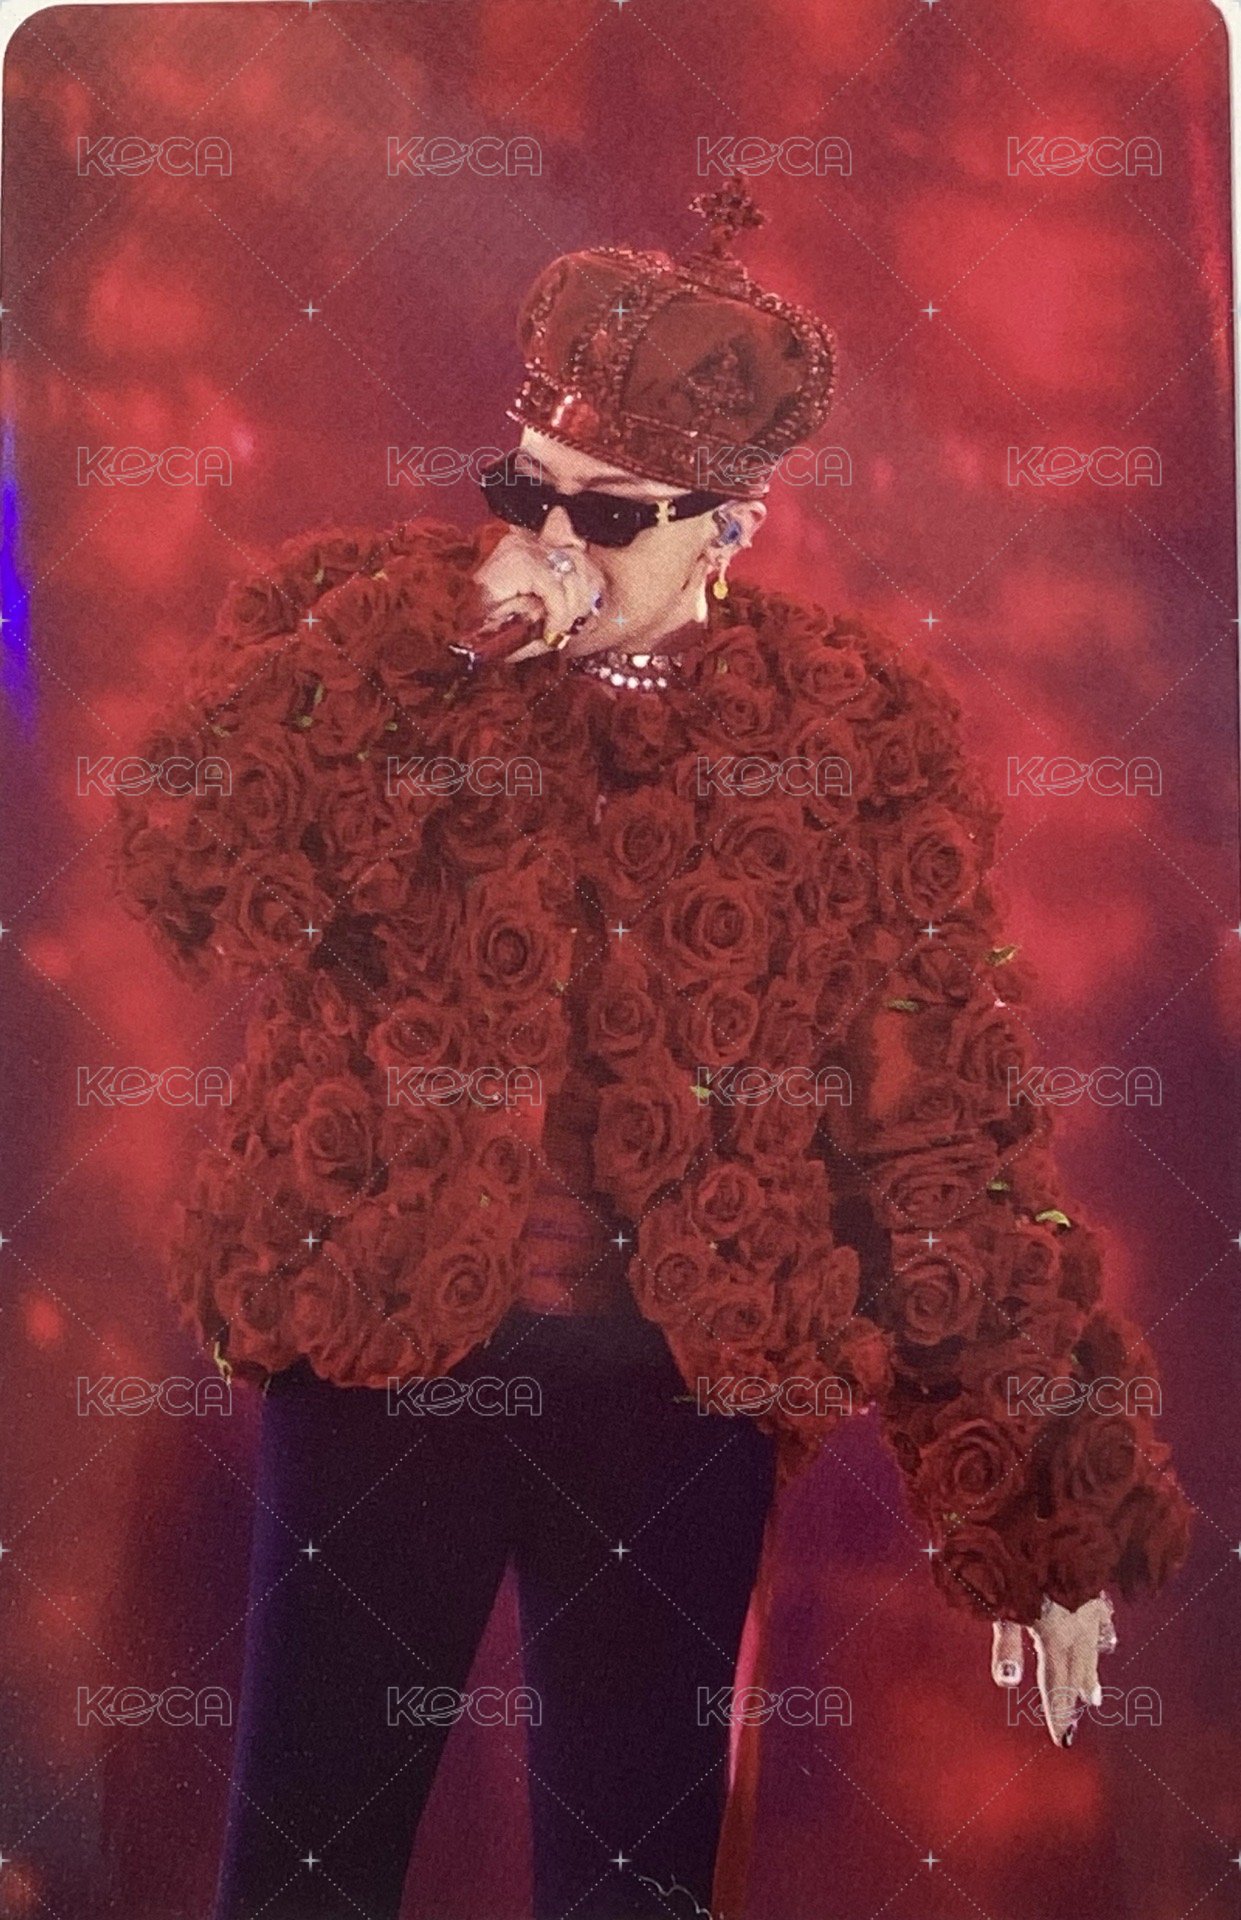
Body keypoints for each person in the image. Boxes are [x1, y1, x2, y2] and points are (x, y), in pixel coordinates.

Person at [113, 180, 1191, 1920]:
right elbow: (194, 868)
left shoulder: (849, 727)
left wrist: (1043, 1493)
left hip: (673, 1398)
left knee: (636, 1882)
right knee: (305, 1870)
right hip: (381, 1365)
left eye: (607, 515)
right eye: (522, 490)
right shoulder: (358, 633)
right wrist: (432, 652)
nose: (551, 543)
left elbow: (937, 1121)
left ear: (729, 528)